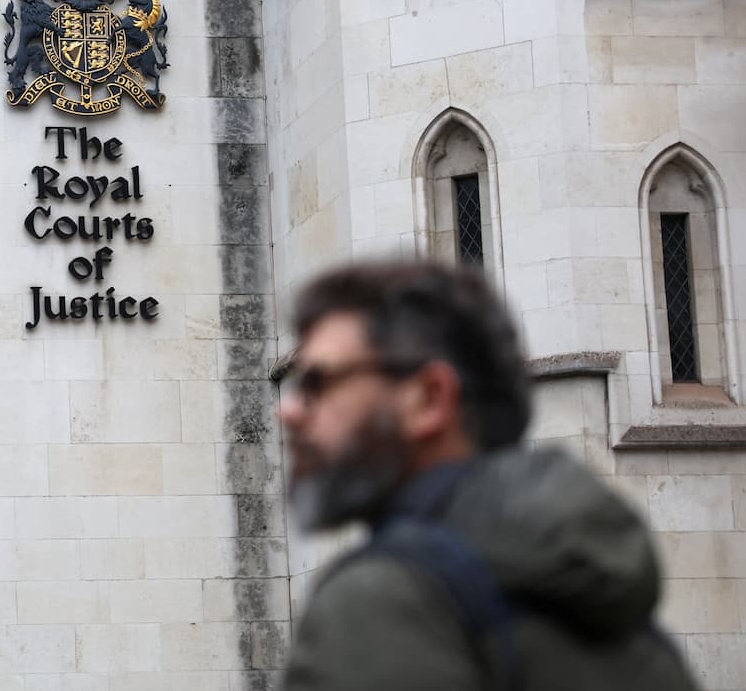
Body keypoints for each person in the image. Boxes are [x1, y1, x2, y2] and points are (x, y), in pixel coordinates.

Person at [278, 260, 698, 691]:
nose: (288, 411)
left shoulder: (378, 602)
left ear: (429, 398)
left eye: (317, 382)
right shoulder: (608, 603)